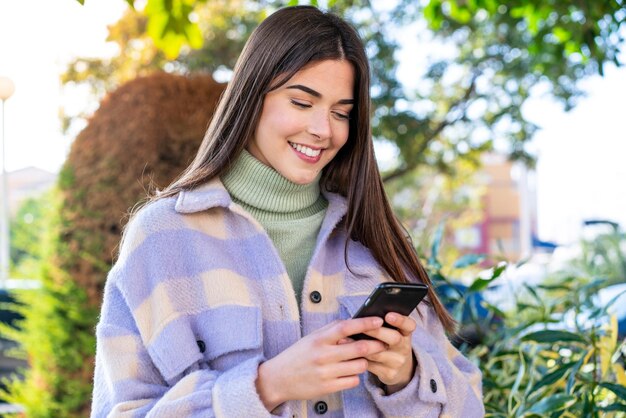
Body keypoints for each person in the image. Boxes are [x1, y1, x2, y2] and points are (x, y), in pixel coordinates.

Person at [91, 5, 484, 417]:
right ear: (252, 96)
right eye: (301, 102)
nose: (323, 129)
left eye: (341, 113)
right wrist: (268, 385)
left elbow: (469, 406)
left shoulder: (376, 240)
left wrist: (405, 376)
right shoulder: (162, 238)